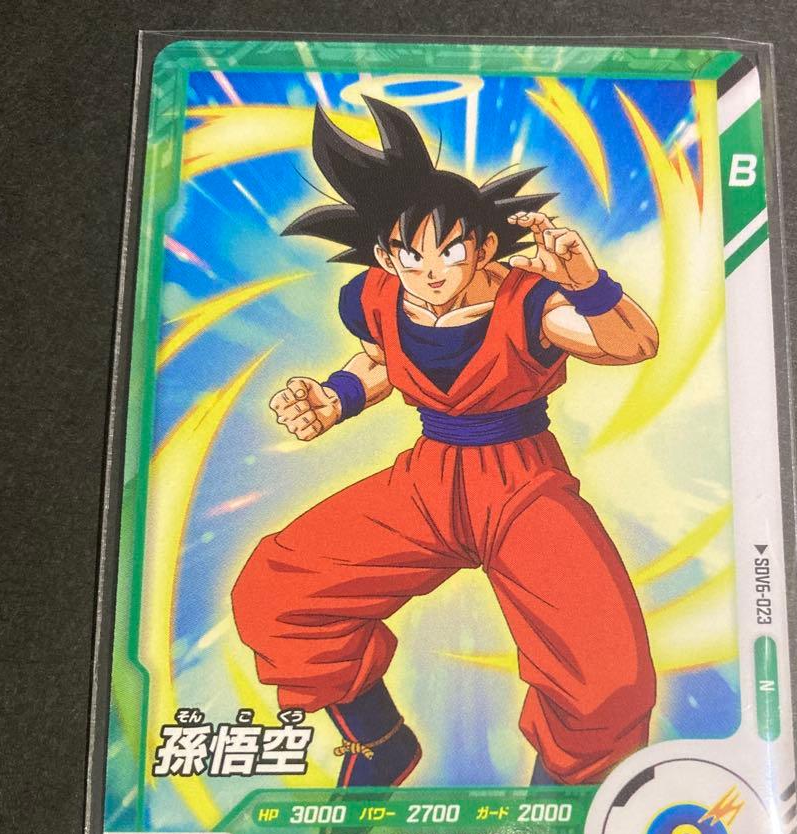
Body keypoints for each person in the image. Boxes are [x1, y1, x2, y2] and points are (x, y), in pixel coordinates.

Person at [232, 97, 659, 789]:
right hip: (428, 483)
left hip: (522, 486)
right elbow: (379, 359)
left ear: (483, 247)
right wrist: (336, 397)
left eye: (450, 250)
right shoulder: (376, 297)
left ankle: (559, 814)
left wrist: (587, 283)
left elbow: (632, 345)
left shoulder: (531, 303)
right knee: (278, 590)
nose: (429, 270)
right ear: (386, 254)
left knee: (608, 673)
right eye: (410, 254)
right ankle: (380, 744)